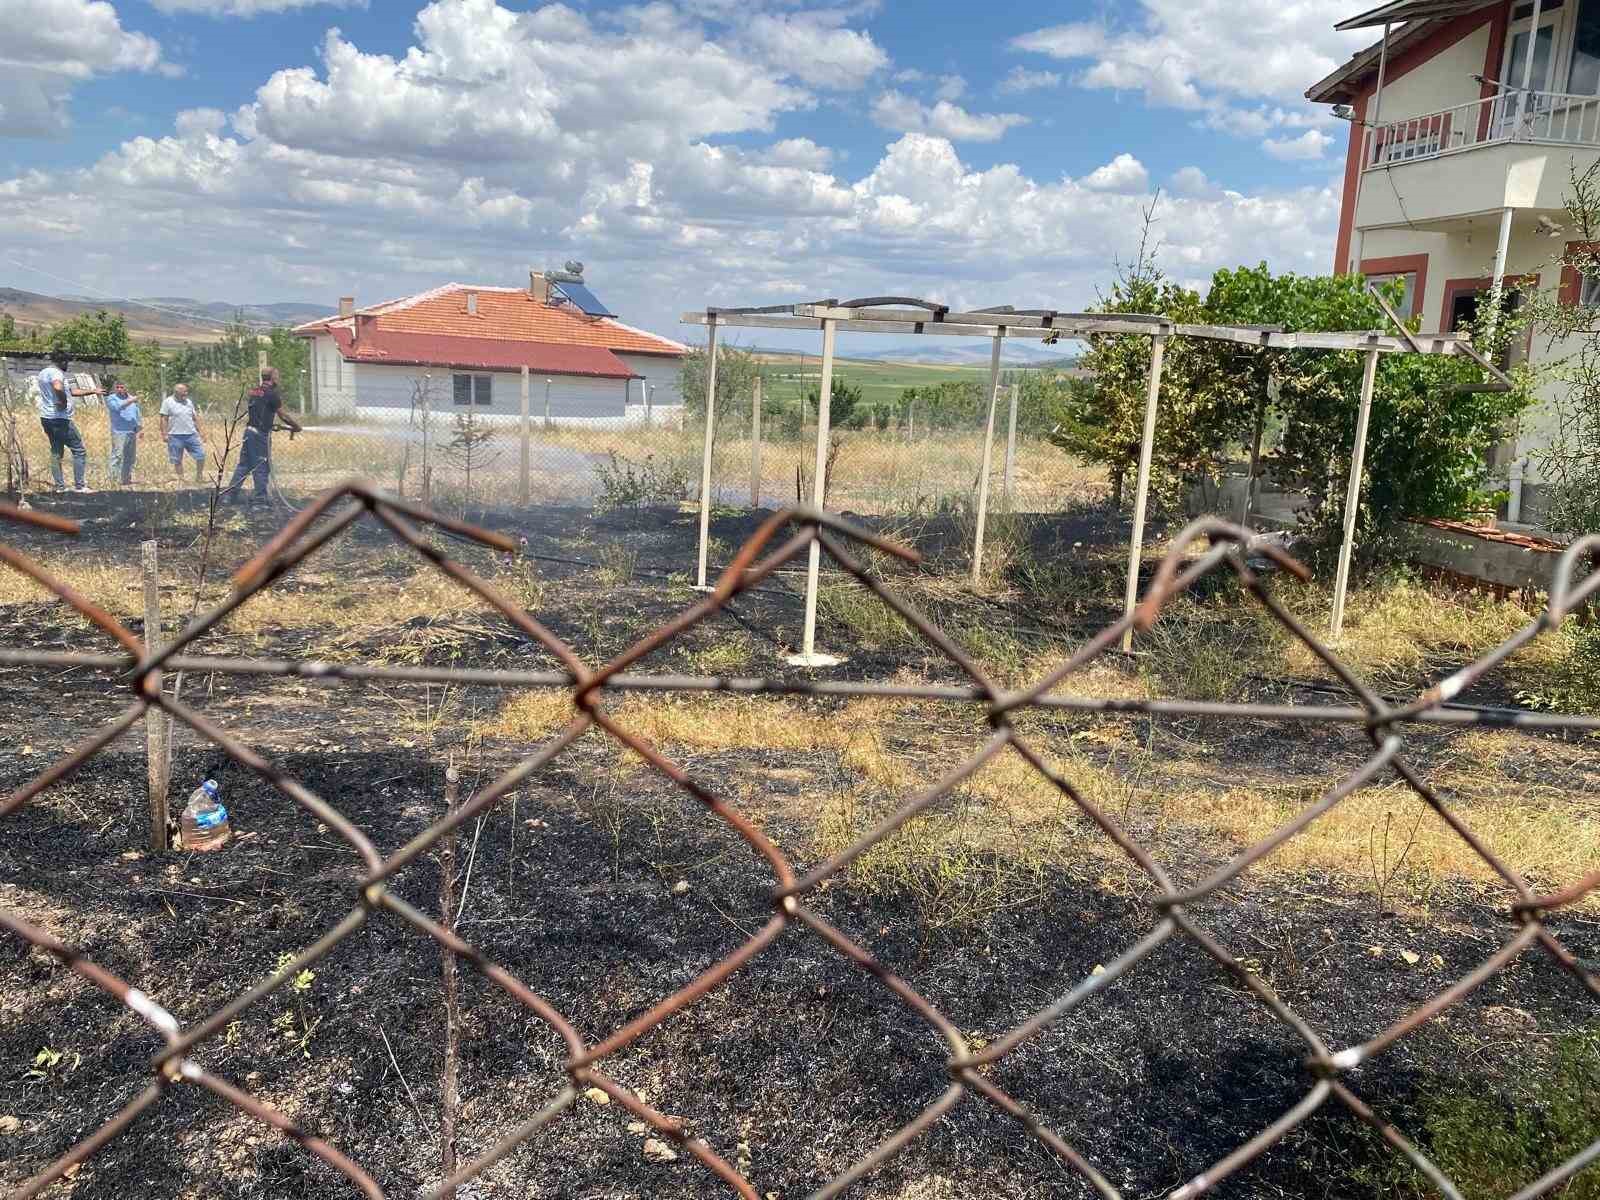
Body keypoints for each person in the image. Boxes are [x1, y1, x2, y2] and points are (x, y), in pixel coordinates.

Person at [223, 367, 300, 504]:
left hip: (249, 432)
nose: (278, 379)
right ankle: (260, 499)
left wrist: (271, 425)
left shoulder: (254, 391)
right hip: (259, 435)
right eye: (277, 376)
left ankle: (229, 496)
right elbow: (282, 415)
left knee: (244, 465)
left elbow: (261, 411)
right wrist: (296, 426)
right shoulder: (272, 394)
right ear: (272, 378)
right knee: (261, 465)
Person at [35, 350, 99, 493]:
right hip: (60, 418)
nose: (67, 365)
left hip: (46, 418)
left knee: (56, 451)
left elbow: (71, 392)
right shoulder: (57, 373)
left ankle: (60, 487)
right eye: (67, 362)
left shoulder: (43, 373)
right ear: (62, 361)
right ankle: (80, 486)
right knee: (79, 450)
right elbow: (58, 387)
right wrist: (63, 402)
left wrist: (93, 391)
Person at [159, 383, 206, 483]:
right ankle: (182, 479)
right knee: (177, 460)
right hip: (175, 435)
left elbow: (194, 418)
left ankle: (199, 476)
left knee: (201, 455)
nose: (186, 393)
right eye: (184, 392)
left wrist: (200, 431)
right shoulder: (167, 402)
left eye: (186, 391)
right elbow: (164, 419)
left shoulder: (188, 402)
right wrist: (164, 434)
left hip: (191, 434)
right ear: (177, 392)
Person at [104, 379, 143, 486]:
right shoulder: (112, 398)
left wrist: (139, 428)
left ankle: (126, 479)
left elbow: (137, 413)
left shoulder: (132, 399)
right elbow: (117, 408)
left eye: (122, 387)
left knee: (130, 457)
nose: (119, 389)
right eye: (117, 387)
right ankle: (113, 480)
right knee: (117, 455)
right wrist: (131, 400)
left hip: (132, 431)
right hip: (119, 432)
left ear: (126, 388)